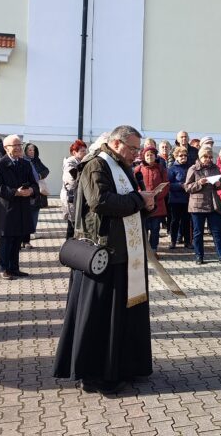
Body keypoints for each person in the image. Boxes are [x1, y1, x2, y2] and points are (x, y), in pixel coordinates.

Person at [53, 125, 156, 392]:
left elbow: (129, 201)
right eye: (132, 148)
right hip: (103, 251)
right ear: (115, 143)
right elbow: (100, 202)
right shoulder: (96, 164)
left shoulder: (121, 165)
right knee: (100, 317)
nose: (136, 153)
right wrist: (138, 200)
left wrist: (145, 203)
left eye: (138, 148)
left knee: (122, 314)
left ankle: (122, 365)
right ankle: (95, 373)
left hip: (125, 251)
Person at [0, 134, 37, 280]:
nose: (17, 148)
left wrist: (32, 190)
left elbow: (34, 183)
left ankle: (14, 268)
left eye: (19, 145)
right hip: (7, 208)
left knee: (18, 239)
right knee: (7, 240)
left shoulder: (25, 164)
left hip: (22, 208)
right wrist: (15, 192)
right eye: (14, 145)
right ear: (5, 148)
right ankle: (3, 268)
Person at [184, 147, 221, 265]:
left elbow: (220, 185)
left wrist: (218, 184)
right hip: (197, 204)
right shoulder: (193, 169)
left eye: (210, 157)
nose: (208, 159)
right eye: (205, 157)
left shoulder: (215, 168)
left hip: (212, 203)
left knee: (217, 231)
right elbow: (187, 187)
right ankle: (199, 256)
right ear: (200, 157)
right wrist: (198, 183)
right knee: (198, 232)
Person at [135, 146, 168, 251]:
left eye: (152, 155)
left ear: (155, 156)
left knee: (155, 229)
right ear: (144, 156)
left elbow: (166, 185)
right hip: (143, 205)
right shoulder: (138, 169)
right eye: (147, 155)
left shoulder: (161, 169)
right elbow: (135, 185)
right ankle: (144, 250)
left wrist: (155, 197)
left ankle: (153, 250)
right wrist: (142, 196)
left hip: (157, 205)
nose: (149, 157)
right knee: (143, 229)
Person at [21, 142, 50, 247]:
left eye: (33, 150)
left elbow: (46, 170)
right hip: (26, 191)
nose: (32, 152)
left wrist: (39, 175)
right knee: (24, 216)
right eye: (29, 150)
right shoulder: (22, 161)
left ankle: (30, 234)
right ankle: (23, 240)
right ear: (25, 151)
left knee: (34, 212)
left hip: (37, 191)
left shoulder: (36, 160)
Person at [61, 140, 88, 239]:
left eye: (85, 150)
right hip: (71, 196)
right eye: (82, 151)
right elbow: (72, 179)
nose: (85, 153)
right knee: (72, 222)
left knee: (77, 221)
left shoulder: (81, 161)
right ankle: (68, 245)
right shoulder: (70, 162)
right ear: (74, 152)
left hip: (77, 195)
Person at [167, 146, 192, 248]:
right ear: (176, 156)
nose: (183, 157)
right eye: (181, 155)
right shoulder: (172, 169)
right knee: (175, 221)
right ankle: (173, 241)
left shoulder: (190, 167)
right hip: (175, 199)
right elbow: (168, 184)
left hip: (187, 199)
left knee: (186, 221)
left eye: (185, 155)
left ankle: (187, 242)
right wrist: (180, 185)